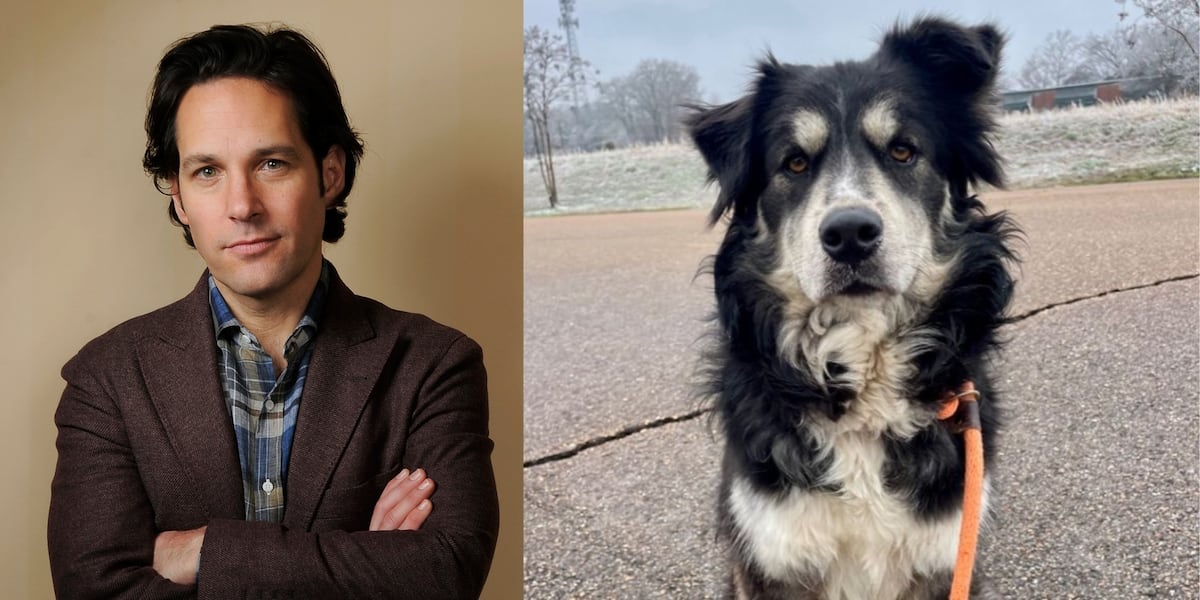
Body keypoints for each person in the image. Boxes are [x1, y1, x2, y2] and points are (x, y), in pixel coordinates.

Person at [47, 24, 498, 599]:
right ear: (179, 197)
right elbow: (93, 590)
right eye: (207, 171)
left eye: (271, 164)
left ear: (329, 174)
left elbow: (445, 572)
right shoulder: (105, 380)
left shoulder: (434, 365)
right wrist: (367, 562)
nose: (242, 206)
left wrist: (204, 551)